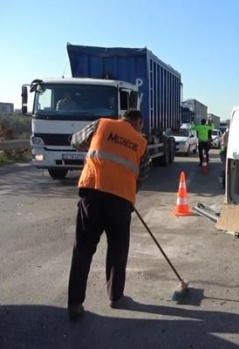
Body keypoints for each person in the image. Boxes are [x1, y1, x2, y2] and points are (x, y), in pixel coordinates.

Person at [66, 109, 150, 322]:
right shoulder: (140, 142)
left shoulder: (100, 124)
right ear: (137, 121)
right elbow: (143, 174)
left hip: (92, 194)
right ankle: (115, 297)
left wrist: (96, 143)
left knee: (83, 250)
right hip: (120, 202)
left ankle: (75, 304)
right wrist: (128, 193)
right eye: (141, 124)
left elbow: (75, 141)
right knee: (118, 250)